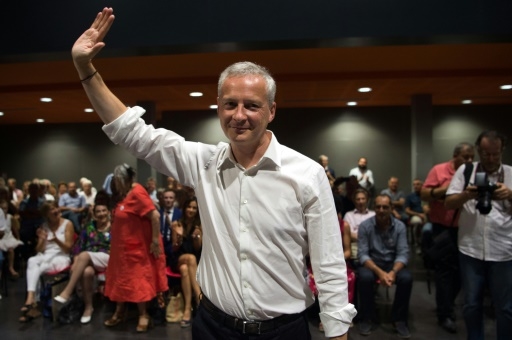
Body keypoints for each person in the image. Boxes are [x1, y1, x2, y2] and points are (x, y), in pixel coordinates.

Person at [72, 8, 355, 339]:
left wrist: (338, 332)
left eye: (251, 105)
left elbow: (329, 264)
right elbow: (132, 132)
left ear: (272, 111)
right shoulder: (203, 163)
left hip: (283, 331)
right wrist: (85, 68)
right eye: (230, 104)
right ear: (218, 107)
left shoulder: (307, 174)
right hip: (212, 327)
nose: (239, 115)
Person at [445, 131, 512, 340]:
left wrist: (510, 194)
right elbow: (448, 203)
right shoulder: (466, 171)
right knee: (471, 305)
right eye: (485, 154)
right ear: (478, 151)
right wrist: (467, 194)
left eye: (495, 154)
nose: (490, 159)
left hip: (503, 251)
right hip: (470, 249)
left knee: (506, 308)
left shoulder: (510, 173)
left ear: (502, 151)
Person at [102, 164, 167, 333]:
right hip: (120, 250)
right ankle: (120, 311)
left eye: (119, 181)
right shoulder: (122, 195)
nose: (117, 184)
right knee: (120, 280)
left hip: (136, 249)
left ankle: (143, 315)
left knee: (139, 281)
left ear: (127, 179)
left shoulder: (137, 191)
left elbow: (155, 215)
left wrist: (154, 241)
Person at [420, 141, 474, 334]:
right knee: (444, 272)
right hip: (442, 228)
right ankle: (445, 314)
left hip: (466, 230)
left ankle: (447, 304)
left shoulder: (473, 173)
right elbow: (424, 194)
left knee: (461, 272)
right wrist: (449, 188)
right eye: (465, 157)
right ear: (455, 155)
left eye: (471, 158)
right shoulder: (439, 170)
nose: (469, 161)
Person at [357, 194, 412, 338]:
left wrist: (393, 272)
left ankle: (399, 319)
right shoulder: (365, 226)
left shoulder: (400, 227)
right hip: (372, 264)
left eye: (385, 207)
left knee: (406, 278)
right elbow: (362, 254)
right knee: (364, 277)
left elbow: (403, 254)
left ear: (391, 208)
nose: (381, 210)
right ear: (374, 208)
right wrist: (379, 272)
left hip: (392, 264)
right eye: (378, 207)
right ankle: (368, 317)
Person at [54, 198, 112, 324]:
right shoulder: (89, 226)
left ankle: (68, 291)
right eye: (98, 211)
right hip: (89, 260)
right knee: (86, 272)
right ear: (94, 214)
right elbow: (78, 247)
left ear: (108, 212)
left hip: (107, 258)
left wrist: (80, 259)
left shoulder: (114, 227)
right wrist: (75, 262)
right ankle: (88, 307)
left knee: (84, 255)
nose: (101, 214)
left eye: (104, 211)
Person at [19, 200, 75, 322]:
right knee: (32, 261)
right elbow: (38, 249)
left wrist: (56, 240)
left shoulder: (67, 224)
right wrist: (42, 239)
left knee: (39, 267)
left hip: (62, 257)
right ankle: (31, 298)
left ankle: (32, 304)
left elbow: (68, 249)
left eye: (56, 208)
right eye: (52, 210)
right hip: (46, 255)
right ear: (46, 215)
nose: (56, 211)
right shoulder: (44, 226)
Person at [170, 196, 203, 327]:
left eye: (194, 208)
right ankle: (198, 296)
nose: (191, 210)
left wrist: (197, 237)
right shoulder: (177, 224)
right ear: (184, 209)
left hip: (191, 263)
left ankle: (187, 310)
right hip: (178, 257)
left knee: (185, 269)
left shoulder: (199, 226)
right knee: (190, 259)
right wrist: (178, 236)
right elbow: (175, 247)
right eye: (189, 207)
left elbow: (197, 248)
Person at [343, 188, 375, 265]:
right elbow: (347, 234)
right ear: (354, 201)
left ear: (367, 200)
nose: (361, 201)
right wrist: (365, 237)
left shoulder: (374, 214)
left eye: (363, 199)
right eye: (358, 199)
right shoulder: (348, 215)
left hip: (372, 246)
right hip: (354, 245)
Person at [0, 199, 23, 278]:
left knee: (11, 249)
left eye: (5, 208)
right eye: (2, 208)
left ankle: (11, 267)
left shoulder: (10, 217)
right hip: (1, 238)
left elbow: (15, 229)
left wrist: (18, 238)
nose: (4, 210)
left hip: (8, 236)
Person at [159, 188, 182, 259]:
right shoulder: (158, 213)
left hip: (173, 245)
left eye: (171, 198)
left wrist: (170, 224)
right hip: (160, 244)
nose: (168, 200)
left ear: (174, 200)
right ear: (162, 199)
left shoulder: (180, 214)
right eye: (166, 198)